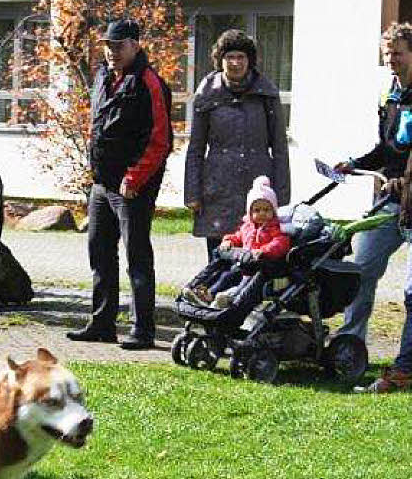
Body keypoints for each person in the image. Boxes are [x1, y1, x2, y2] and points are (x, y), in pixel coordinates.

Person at [67, 18, 172, 350]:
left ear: (135, 46)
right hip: (102, 183)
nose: (112, 52)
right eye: (108, 46)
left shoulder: (150, 82)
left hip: (132, 186)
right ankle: (102, 323)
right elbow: (99, 126)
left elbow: (160, 141)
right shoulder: (102, 76)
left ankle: (143, 330)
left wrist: (134, 178)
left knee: (137, 256)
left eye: (119, 46)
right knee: (99, 251)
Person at [332, 23, 412, 381]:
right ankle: (349, 348)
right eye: (387, 54)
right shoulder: (390, 94)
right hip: (391, 200)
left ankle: (406, 366)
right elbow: (387, 147)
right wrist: (356, 163)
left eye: (397, 53)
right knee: (360, 271)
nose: (391, 60)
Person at [184, 29, 290, 259]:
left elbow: (280, 148)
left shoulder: (266, 94)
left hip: (258, 190)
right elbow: (196, 148)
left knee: (257, 257)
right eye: (229, 57)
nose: (235, 63)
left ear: (249, 60)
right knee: (219, 257)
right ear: (220, 61)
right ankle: (212, 295)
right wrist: (192, 192)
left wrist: (281, 196)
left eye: (240, 57)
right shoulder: (207, 94)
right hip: (217, 188)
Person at [182, 176, 290, 308]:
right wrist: (228, 241)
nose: (262, 213)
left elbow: (280, 243)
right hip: (242, 265)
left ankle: (225, 299)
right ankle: (208, 294)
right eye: (257, 210)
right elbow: (237, 237)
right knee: (226, 277)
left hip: (259, 269)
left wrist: (264, 250)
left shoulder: (275, 228)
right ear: (250, 212)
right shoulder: (247, 227)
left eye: (266, 210)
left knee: (243, 287)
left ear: (273, 211)